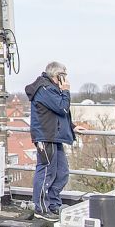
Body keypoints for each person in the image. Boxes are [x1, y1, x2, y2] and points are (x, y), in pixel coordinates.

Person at [25, 61, 80, 221]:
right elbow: (62, 108)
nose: (66, 79)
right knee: (46, 172)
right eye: (64, 75)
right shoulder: (44, 89)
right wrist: (66, 91)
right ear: (57, 76)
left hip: (55, 137)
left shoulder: (52, 89)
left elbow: (58, 114)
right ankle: (41, 208)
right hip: (46, 136)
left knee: (62, 173)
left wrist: (72, 126)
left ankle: (54, 205)